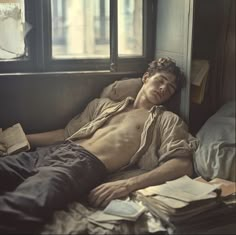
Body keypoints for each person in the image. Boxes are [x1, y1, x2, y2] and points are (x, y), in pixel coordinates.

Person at [0, 57, 197, 233]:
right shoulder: (104, 105)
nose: (163, 88)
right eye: (160, 80)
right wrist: (15, 139)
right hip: (52, 151)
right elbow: (65, 133)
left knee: (20, 206)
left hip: (80, 166)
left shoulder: (168, 120)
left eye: (170, 88)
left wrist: (127, 185)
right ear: (146, 77)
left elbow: (182, 164)